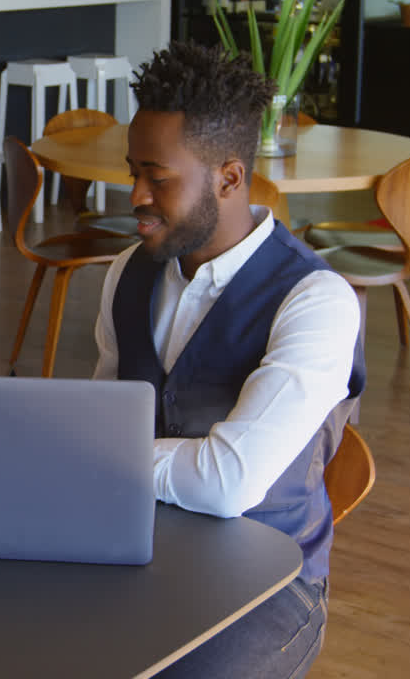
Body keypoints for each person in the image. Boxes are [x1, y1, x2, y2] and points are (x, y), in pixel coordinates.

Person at [93, 41, 366, 677]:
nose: (135, 195)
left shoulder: (315, 299)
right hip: (133, 550)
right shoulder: (126, 272)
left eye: (157, 178)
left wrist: (105, 455)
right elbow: (101, 421)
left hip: (268, 583)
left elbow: (230, 483)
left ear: (230, 178)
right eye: (133, 172)